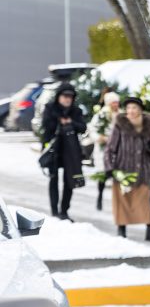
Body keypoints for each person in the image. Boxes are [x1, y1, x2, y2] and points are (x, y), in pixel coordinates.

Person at [105, 97, 150, 240]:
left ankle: (149, 229)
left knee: (144, 200)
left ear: (140, 110)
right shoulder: (120, 124)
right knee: (122, 200)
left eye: (134, 108)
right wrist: (109, 167)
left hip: (143, 169)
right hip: (123, 169)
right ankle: (121, 228)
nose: (131, 111)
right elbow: (110, 148)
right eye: (128, 108)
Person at [40, 82, 87, 221]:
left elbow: (83, 127)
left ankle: (64, 211)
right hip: (54, 149)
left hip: (70, 151)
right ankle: (54, 212)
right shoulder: (50, 108)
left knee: (69, 180)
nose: (67, 99)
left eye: (70, 97)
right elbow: (46, 126)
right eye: (64, 96)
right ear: (59, 96)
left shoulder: (76, 111)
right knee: (53, 179)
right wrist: (59, 122)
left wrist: (71, 122)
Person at [91, 91, 121, 211]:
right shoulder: (101, 115)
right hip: (103, 149)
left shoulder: (121, 115)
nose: (115, 105)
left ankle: (117, 202)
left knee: (117, 176)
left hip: (118, 150)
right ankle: (100, 196)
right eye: (113, 102)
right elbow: (92, 130)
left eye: (117, 102)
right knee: (103, 175)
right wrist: (100, 138)